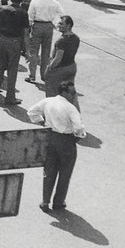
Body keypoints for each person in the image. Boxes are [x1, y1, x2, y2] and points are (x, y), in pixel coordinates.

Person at [28, 81, 86, 212]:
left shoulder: (48, 101)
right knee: (65, 174)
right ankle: (58, 202)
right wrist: (79, 137)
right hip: (66, 141)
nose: (74, 95)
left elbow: (31, 112)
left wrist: (43, 123)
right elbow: (79, 128)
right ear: (64, 92)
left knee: (49, 171)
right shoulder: (71, 108)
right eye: (72, 93)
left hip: (50, 138)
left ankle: (45, 201)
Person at [0, 0, 31, 106]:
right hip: (14, 42)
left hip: (2, 39)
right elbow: (25, 33)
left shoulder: (2, 9)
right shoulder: (23, 13)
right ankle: (10, 97)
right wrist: (27, 50)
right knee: (12, 70)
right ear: (21, 1)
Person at [27, 0, 65, 84]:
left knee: (34, 51)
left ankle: (32, 75)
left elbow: (30, 16)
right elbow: (62, 14)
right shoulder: (54, 2)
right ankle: (44, 75)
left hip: (37, 25)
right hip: (48, 26)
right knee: (46, 52)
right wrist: (56, 24)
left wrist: (30, 26)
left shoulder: (35, 1)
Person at [45, 16, 80, 103]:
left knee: (52, 94)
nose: (58, 25)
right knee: (68, 94)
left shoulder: (62, 41)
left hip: (60, 70)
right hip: (71, 66)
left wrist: (50, 68)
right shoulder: (76, 38)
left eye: (61, 23)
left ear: (68, 25)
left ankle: (51, 113)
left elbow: (58, 58)